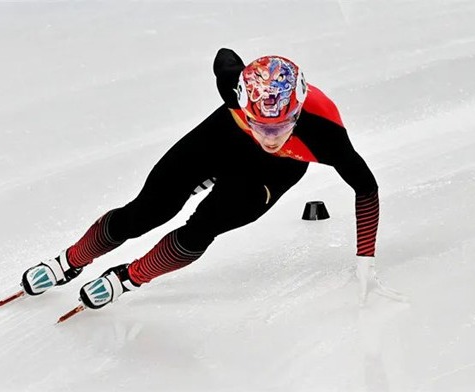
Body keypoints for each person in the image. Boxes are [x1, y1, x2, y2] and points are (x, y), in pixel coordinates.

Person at [21, 48, 405, 309]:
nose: (270, 138)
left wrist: (365, 261)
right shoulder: (234, 90)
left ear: (299, 111)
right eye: (260, 125)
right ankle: (69, 260)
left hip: (277, 171)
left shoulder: (325, 133)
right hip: (224, 139)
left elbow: (366, 189)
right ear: (241, 101)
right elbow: (224, 57)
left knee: (204, 226)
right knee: (147, 211)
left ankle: (131, 277)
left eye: (281, 126)